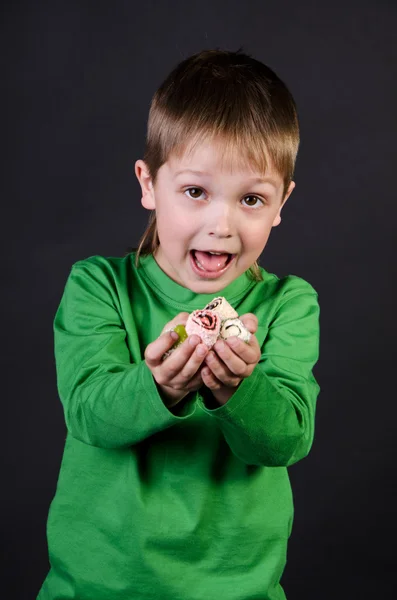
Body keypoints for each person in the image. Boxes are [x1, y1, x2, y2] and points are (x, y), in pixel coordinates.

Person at [38, 48, 320, 600]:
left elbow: (286, 438)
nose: (222, 224)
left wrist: (240, 388)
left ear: (282, 201)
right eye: (196, 191)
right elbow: (89, 413)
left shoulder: (289, 302)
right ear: (149, 184)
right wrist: (159, 386)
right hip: (97, 586)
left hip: (237, 590)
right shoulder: (98, 286)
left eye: (251, 198)